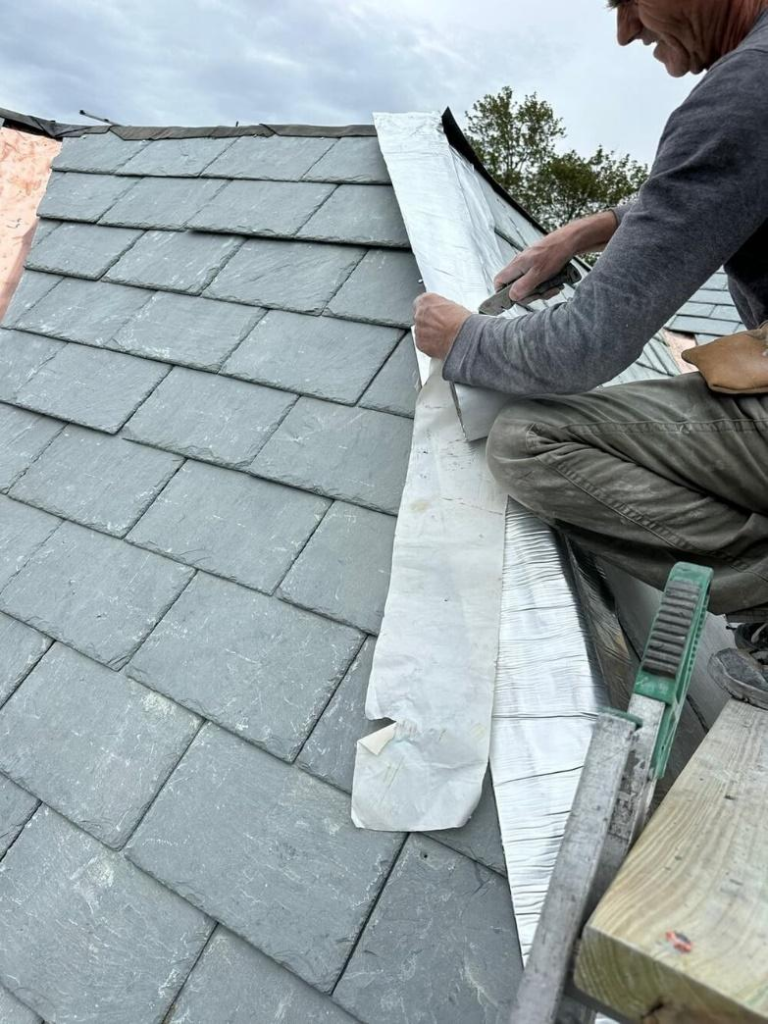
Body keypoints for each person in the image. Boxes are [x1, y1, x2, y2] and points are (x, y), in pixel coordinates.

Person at [413, 0, 768, 673]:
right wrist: (594, 227)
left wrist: (462, 338)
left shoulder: (747, 90)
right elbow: (725, 176)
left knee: (528, 442)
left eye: (630, 1)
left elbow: (585, 347)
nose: (625, 30)